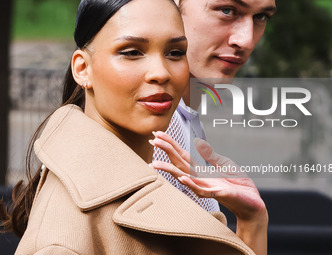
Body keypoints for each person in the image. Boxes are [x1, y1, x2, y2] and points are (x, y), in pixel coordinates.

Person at [0, 0, 259, 254]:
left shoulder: (163, 158)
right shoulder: (63, 242)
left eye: (175, 53)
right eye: (132, 52)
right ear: (82, 69)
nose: (161, 72)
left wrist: (252, 220)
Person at [151, 0, 277, 254]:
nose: (247, 40)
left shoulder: (183, 118)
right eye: (227, 10)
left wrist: (252, 219)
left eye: (261, 16)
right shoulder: (157, 131)